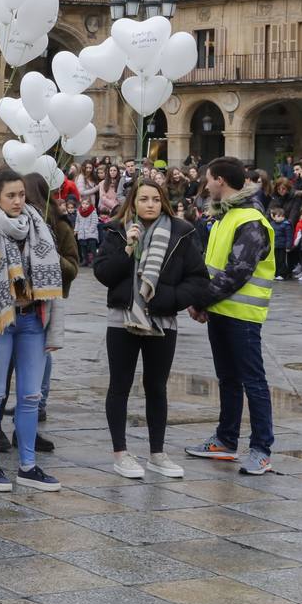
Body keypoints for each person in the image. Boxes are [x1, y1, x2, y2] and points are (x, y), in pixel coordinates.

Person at [94, 180, 209, 480]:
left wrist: (170, 298)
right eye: (143, 199)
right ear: (132, 202)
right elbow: (104, 274)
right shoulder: (117, 230)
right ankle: (121, 453)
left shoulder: (181, 233)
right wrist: (128, 248)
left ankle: (157, 453)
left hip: (162, 320)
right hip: (122, 318)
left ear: (163, 202)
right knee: (119, 385)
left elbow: (198, 278)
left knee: (156, 386)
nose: (149, 204)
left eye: (155, 199)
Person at [0, 170, 64, 494]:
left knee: (31, 395)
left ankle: (28, 466)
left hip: (33, 319)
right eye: (11, 196)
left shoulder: (39, 227)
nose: (19, 201)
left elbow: (54, 276)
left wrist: (54, 329)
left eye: (21, 194)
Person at [185, 157, 277, 476]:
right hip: (222, 311)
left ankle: (261, 449)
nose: (206, 184)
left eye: (208, 179)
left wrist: (200, 301)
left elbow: (237, 272)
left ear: (221, 180)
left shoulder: (249, 220)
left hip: (242, 314)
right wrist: (205, 302)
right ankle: (226, 440)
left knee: (253, 380)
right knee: (228, 379)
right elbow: (212, 268)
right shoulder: (226, 216)